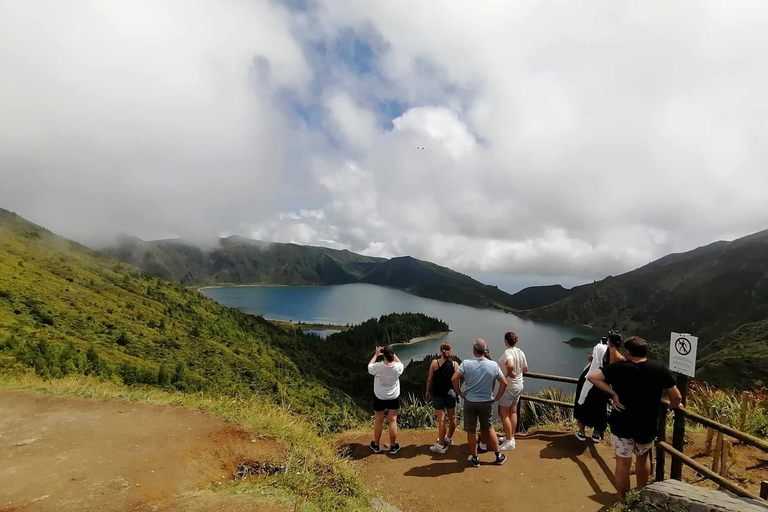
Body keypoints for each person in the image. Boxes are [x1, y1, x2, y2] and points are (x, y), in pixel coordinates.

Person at [588, 336, 682, 499]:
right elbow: (677, 396)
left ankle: (624, 499)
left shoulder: (618, 367)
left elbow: (592, 377)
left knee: (623, 463)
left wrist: (613, 393)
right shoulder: (658, 368)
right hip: (647, 423)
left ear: (629, 352)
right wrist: (675, 407)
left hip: (622, 423)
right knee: (643, 458)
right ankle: (639, 496)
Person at [451, 339, 507, 467]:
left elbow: (454, 378)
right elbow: (504, 383)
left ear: (474, 350)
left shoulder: (466, 363)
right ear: (486, 350)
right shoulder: (493, 365)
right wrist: (497, 397)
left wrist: (459, 392)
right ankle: (498, 456)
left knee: (471, 431)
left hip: (470, 401)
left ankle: (475, 458)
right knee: (489, 427)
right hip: (486, 401)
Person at [574, 332, 626, 442]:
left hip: (590, 379)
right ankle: (596, 434)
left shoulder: (600, 349)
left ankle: (582, 432)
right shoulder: (621, 358)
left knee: (583, 404)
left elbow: (590, 358)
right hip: (605, 385)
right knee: (600, 407)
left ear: (609, 341)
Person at [368, 345, 404, 455]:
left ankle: (376, 445)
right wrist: (393, 354)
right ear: (392, 355)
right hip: (393, 396)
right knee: (392, 420)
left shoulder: (378, 367)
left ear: (384, 355)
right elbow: (400, 363)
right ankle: (393, 446)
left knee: (378, 420)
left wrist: (376, 354)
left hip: (380, 396)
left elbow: (369, 367)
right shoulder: (397, 368)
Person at [497, 331, 528, 451]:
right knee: (513, 412)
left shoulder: (508, 352)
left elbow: (510, 365)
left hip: (509, 386)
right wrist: (517, 372)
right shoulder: (521, 352)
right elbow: (525, 369)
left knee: (503, 413)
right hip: (519, 385)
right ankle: (510, 437)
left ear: (506, 341)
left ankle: (510, 441)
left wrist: (510, 372)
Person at [426, 342, 459, 454]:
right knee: (452, 417)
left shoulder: (435, 363)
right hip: (450, 393)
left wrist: (427, 391)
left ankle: (441, 445)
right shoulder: (455, 364)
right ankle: (448, 438)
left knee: (441, 420)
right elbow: (456, 381)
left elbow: (430, 379)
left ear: (441, 351)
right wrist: (458, 392)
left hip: (438, 393)